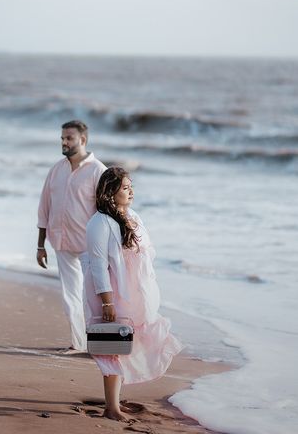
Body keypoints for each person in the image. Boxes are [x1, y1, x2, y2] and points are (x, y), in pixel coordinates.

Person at [84, 167, 183, 421]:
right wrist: (106, 302)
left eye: (131, 187)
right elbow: (98, 265)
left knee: (127, 342)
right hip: (111, 293)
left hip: (134, 291)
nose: (131, 192)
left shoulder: (133, 216)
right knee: (111, 346)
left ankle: (115, 400)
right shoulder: (99, 222)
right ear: (109, 192)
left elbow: (144, 253)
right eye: (125, 188)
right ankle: (111, 408)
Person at [37, 120, 106, 352]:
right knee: (70, 297)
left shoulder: (98, 170)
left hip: (90, 245)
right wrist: (40, 245)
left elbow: (106, 211)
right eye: (62, 138)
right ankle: (78, 344)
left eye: (69, 138)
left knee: (91, 298)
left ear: (83, 140)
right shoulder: (56, 170)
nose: (64, 142)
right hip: (61, 241)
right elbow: (44, 206)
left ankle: (96, 344)